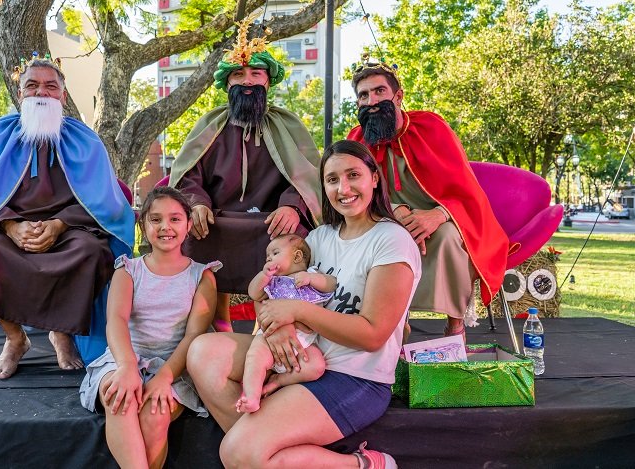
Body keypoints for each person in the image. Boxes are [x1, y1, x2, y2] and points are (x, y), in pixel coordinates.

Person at [188, 140, 421, 468]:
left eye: (353, 175)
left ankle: (361, 465)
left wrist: (296, 311)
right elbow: (271, 286)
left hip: (353, 376)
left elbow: (372, 334)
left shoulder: (391, 241)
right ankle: (264, 452)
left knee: (238, 453)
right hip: (299, 357)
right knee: (202, 352)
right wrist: (277, 325)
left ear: (374, 179)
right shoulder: (318, 238)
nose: (344, 188)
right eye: (332, 179)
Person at [0, 53, 135, 393]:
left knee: (92, 253)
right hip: (5, 234)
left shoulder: (86, 141)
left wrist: (60, 225)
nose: (41, 93)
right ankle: (14, 338)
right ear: (19, 93)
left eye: (51, 86)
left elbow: (106, 206)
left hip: (70, 233)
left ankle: (61, 332)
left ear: (63, 96)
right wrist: (10, 226)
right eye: (32, 85)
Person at [169, 15, 322, 332]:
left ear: (268, 81)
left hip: (270, 220)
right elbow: (187, 174)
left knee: (293, 242)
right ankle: (217, 319)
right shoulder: (208, 125)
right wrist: (197, 203)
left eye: (256, 74)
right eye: (239, 74)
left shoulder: (288, 124)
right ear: (228, 84)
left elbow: (306, 175)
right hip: (218, 218)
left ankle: (269, 323)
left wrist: (292, 205)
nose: (248, 81)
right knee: (196, 235)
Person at [347, 56, 509, 340]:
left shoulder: (430, 127)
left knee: (447, 237)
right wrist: (395, 212)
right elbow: (353, 193)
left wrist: (438, 214)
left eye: (379, 91)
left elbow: (466, 189)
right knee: (384, 240)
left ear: (398, 96)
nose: (371, 101)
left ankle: (454, 328)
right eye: (363, 95)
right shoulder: (356, 140)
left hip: (443, 215)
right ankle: (392, 324)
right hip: (383, 217)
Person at [79, 186, 218, 469]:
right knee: (121, 398)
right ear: (143, 225)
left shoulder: (201, 276)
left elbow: (194, 336)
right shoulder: (128, 270)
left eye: (175, 219)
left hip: (174, 367)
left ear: (189, 225)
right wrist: (127, 367)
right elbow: (116, 320)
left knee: (154, 413)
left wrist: (165, 377)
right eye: (155, 219)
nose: (165, 227)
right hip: (124, 358)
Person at [236, 234, 336, 414]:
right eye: (267, 256)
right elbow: (254, 293)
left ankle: (279, 380)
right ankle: (251, 396)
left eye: (274, 253)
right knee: (255, 358)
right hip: (270, 339)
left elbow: (331, 284)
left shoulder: (311, 274)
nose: (269, 258)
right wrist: (264, 275)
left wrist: (310, 279)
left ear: (297, 256)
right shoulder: (272, 282)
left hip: (304, 344)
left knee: (316, 367)